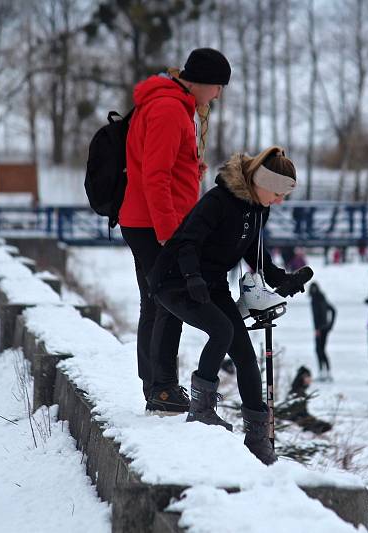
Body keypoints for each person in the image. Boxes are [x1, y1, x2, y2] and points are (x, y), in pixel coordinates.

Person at [148, 146, 308, 465]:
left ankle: (257, 438)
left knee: (246, 357)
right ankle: (202, 410)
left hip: (212, 284)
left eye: (283, 196)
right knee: (221, 330)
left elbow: (253, 250)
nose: (279, 200)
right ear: (260, 182)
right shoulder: (218, 201)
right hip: (176, 280)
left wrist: (280, 279)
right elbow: (187, 241)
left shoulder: (257, 207)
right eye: (277, 193)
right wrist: (192, 275)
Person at [119, 48, 231, 409]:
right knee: (167, 302)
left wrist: (191, 169)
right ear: (200, 81)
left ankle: (157, 386)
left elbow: (164, 167)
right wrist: (170, 232)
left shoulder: (172, 105)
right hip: (155, 224)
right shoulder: (168, 109)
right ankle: (162, 388)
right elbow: (155, 176)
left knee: (156, 302)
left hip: (149, 220)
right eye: (216, 87)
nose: (218, 95)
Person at [277, 366, 332, 434]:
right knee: (324, 426)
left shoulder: (299, 391)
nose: (309, 379)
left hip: (300, 420)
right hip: (296, 422)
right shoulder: (297, 392)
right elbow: (294, 413)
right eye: (307, 377)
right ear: (301, 378)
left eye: (309, 377)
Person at [308, 282, 336, 382]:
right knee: (321, 350)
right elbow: (332, 310)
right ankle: (325, 372)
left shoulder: (317, 299)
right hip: (323, 328)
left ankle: (324, 372)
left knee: (320, 350)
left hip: (321, 329)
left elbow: (318, 315)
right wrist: (330, 325)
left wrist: (318, 329)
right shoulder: (321, 298)